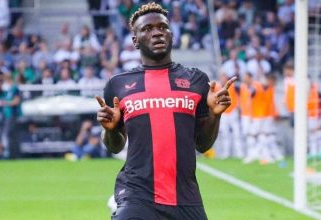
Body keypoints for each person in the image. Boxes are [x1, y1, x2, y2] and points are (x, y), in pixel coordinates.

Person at [95, 3, 236, 220]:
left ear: (171, 34)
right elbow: (115, 146)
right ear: (135, 41)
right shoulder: (118, 85)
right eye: (147, 29)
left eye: (162, 27)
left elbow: (203, 144)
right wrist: (111, 130)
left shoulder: (196, 81)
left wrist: (215, 115)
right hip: (137, 196)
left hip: (185, 198)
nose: (157, 32)